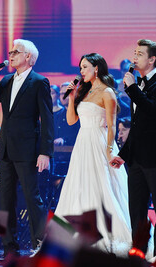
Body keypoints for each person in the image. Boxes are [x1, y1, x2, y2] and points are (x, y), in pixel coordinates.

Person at [0, 39, 54, 255]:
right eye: (10, 52)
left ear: (28, 57)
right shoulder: (7, 80)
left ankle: (39, 243)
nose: (10, 55)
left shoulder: (39, 82)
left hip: (28, 150)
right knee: (6, 199)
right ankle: (9, 247)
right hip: (6, 149)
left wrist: (45, 152)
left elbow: (47, 119)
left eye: (15, 52)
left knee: (32, 197)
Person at [54, 53, 131, 253]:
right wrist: (72, 97)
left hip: (99, 141)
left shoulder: (107, 92)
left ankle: (104, 232)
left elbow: (111, 125)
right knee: (79, 185)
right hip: (83, 142)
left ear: (96, 68)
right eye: (80, 67)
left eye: (85, 67)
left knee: (102, 185)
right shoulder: (84, 91)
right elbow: (71, 120)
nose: (81, 71)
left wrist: (109, 149)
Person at [110, 39, 156, 255]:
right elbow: (137, 127)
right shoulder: (138, 85)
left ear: (152, 59)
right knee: (136, 211)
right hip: (136, 159)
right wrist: (123, 154)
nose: (134, 57)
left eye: (140, 54)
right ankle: (138, 254)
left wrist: (132, 89)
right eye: (134, 53)